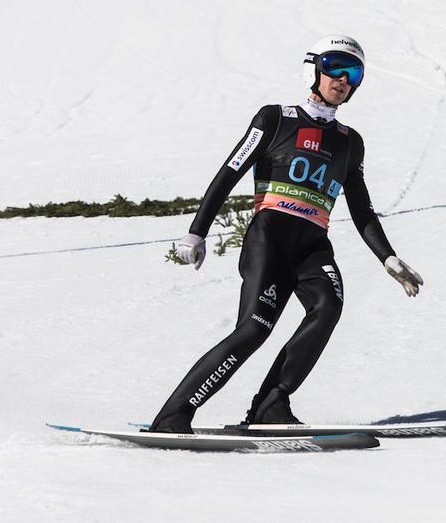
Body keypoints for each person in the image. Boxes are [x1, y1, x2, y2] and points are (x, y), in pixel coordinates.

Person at [147, 34, 423, 433]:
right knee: (255, 328)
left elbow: (361, 208)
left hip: (312, 246)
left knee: (328, 305)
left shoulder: (350, 143)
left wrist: (389, 257)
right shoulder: (275, 119)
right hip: (269, 238)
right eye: (333, 65)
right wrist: (196, 233)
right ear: (316, 69)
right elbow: (229, 173)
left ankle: (271, 404)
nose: (342, 79)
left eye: (353, 72)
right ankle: (173, 415)